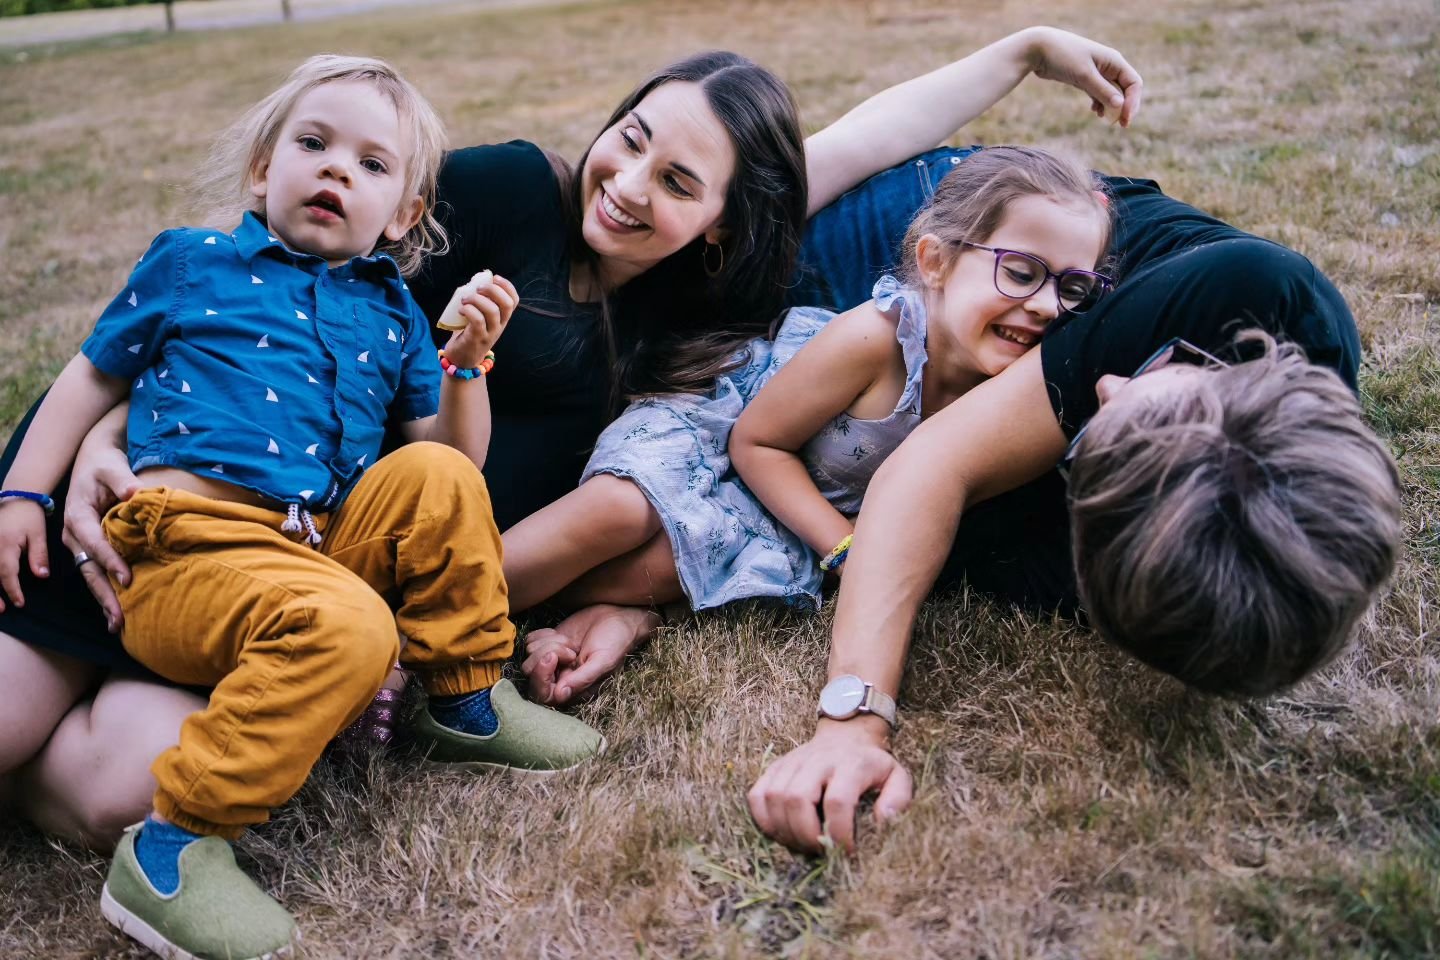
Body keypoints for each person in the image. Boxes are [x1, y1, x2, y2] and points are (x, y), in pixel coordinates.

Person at [1, 27, 1144, 849]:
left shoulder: (688, 317)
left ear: (724, 224)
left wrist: (1019, 54)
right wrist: (106, 427)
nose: (630, 182)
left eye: (679, 179)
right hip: (184, 492)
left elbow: (849, 144)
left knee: (113, 792)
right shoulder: (504, 197)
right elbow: (268, 278)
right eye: (632, 138)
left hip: (316, 574)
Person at [0, 54, 603, 959]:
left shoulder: (397, 312)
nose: (334, 171)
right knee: (352, 628)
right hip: (178, 549)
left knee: (432, 485)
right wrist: (20, 490)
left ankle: (464, 699)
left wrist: (469, 363)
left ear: (403, 215)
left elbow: (453, 468)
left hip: (303, 551)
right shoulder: (191, 262)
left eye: (370, 164)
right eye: (313, 144)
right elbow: (89, 380)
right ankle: (174, 850)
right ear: (261, 169)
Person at [745, 154, 1404, 855]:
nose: (1110, 388)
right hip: (1003, 228)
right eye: (1145, 402)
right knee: (726, 257)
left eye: (1096, 452)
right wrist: (854, 719)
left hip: (1004, 326)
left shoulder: (1140, 570)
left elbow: (921, 521)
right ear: (1216, 382)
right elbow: (924, 468)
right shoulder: (1245, 293)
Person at [501, 147, 1113, 639]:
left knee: (662, 568)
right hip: (728, 432)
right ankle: (433, 594)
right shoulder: (875, 339)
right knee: (622, 511)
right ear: (936, 262)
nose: (1043, 306)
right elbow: (757, 442)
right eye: (1021, 271)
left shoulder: (1022, 389)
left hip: (785, 514)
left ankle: (491, 611)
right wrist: (844, 546)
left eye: (1074, 289)